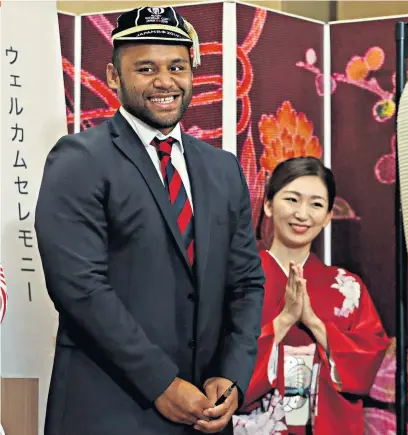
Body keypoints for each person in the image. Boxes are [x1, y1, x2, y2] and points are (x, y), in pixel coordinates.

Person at [35, 6, 265, 435]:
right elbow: (79, 286)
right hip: (108, 410)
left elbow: (247, 281)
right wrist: (160, 381)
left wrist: (232, 375)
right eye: (146, 68)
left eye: (177, 66)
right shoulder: (80, 159)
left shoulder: (222, 168)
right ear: (113, 76)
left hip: (204, 412)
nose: (165, 81)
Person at [232, 157, 390, 434]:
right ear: (268, 205)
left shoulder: (347, 288)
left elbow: (367, 360)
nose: (302, 214)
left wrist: (314, 323)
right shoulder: (235, 281)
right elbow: (218, 359)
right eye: (292, 199)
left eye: (316, 204)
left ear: (329, 216)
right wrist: (283, 321)